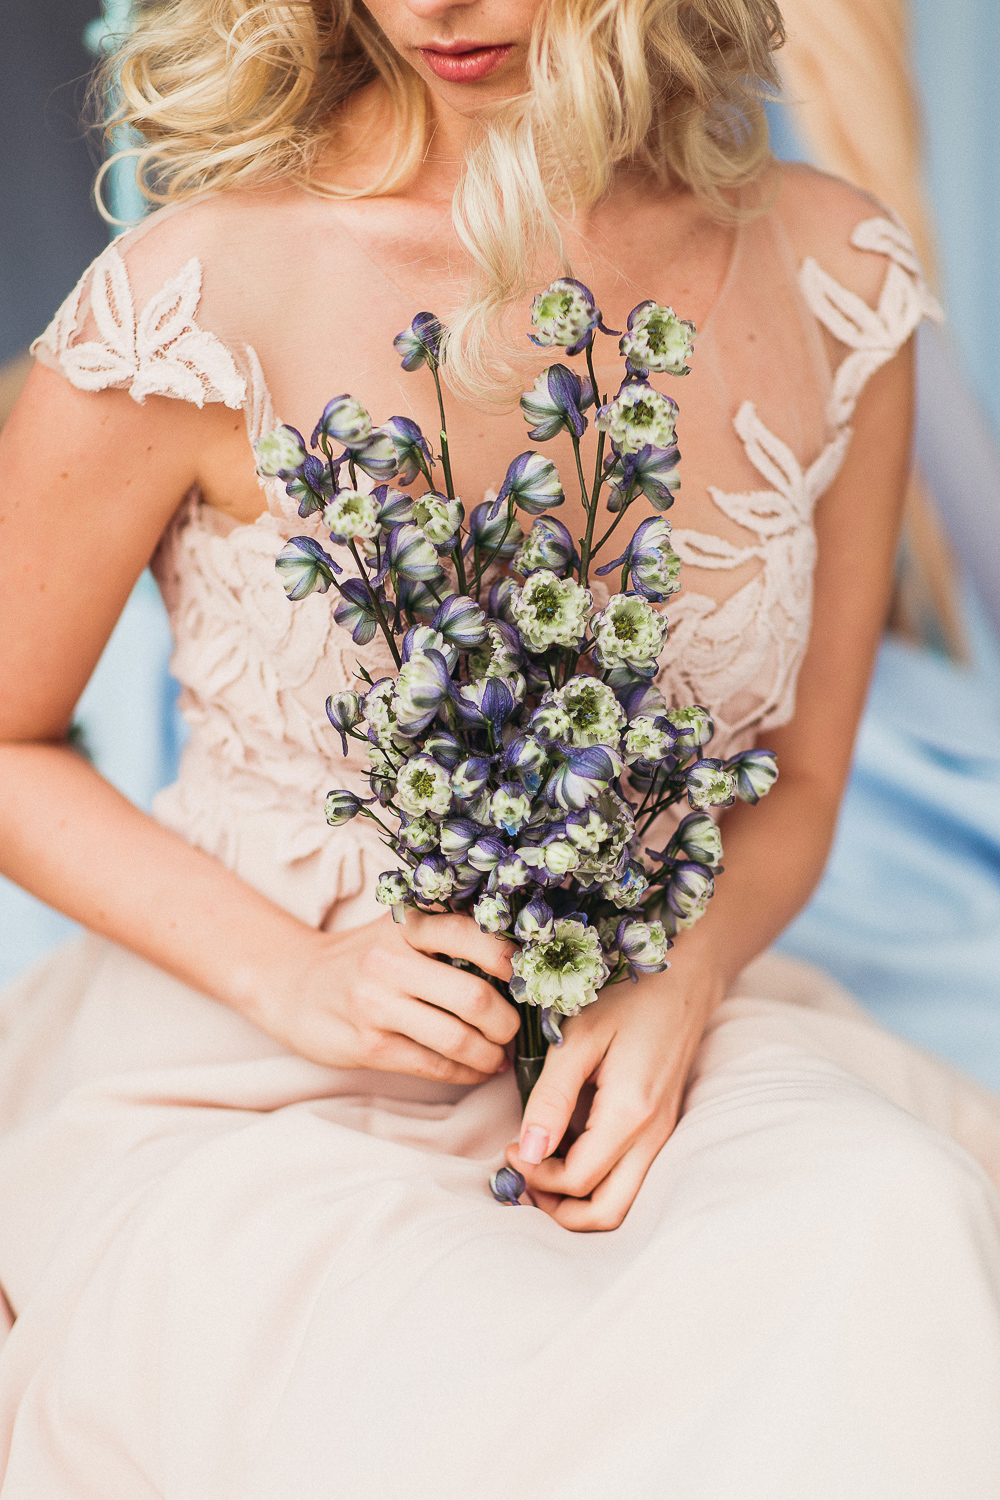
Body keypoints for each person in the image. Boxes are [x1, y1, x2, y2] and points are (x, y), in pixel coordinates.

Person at [1, 0, 999, 1492]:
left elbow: (799, 783)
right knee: (437, 1397)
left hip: (650, 1036)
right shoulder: (190, 299)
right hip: (259, 1058)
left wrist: (686, 974)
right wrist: (299, 977)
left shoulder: (829, 272)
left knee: (881, 1227)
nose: (438, 10)